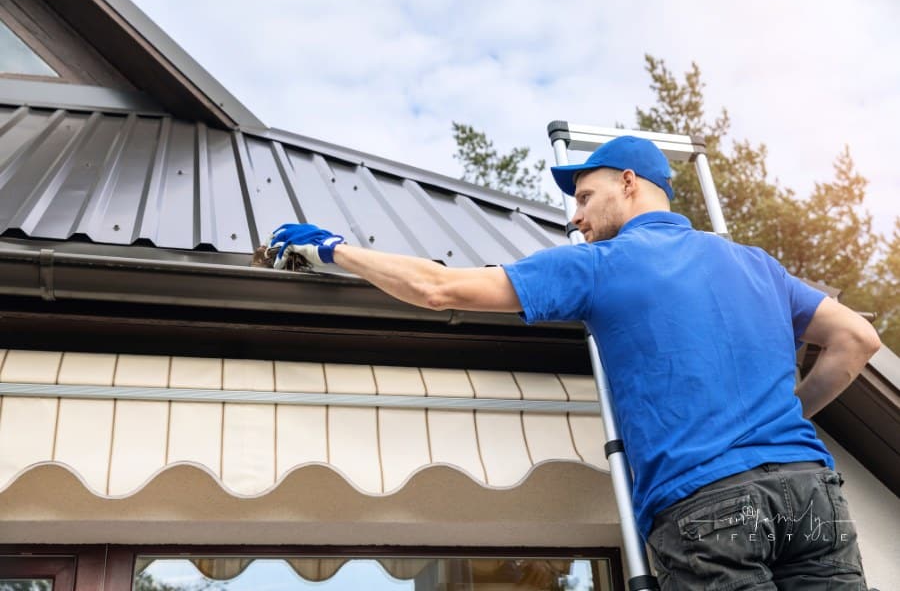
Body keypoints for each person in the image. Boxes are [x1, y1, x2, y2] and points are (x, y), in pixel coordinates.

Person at [267, 136, 880, 590]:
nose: (575, 216)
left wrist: (334, 248)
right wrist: (781, 415)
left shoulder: (602, 264)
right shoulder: (755, 265)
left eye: (586, 196)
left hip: (706, 504)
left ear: (631, 183)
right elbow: (856, 339)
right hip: (810, 494)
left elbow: (438, 288)